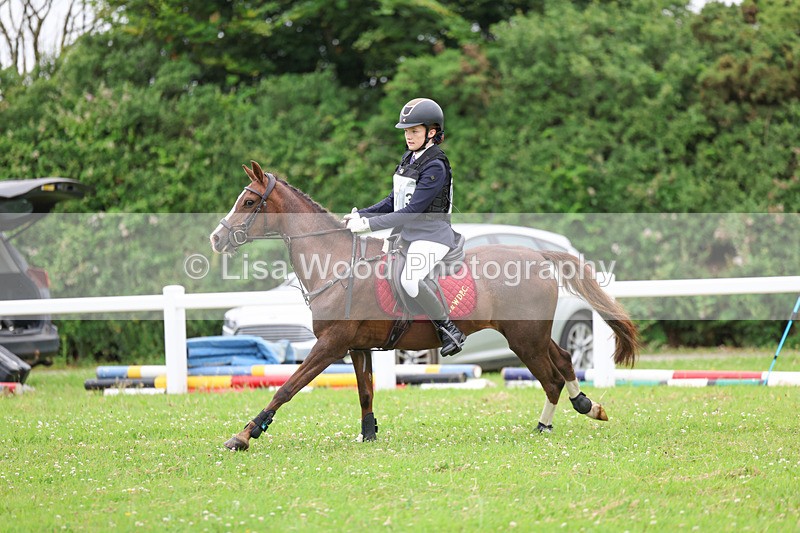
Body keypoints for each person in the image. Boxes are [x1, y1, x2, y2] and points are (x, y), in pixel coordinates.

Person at [344, 98, 466, 356]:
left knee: (409, 279)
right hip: (410, 235)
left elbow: (411, 212)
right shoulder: (409, 158)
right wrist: (360, 213)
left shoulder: (436, 165)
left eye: (414, 131)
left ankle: (448, 330)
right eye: (406, 131)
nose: (408, 136)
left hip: (432, 236)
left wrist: (367, 225)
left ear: (432, 132)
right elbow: (393, 201)